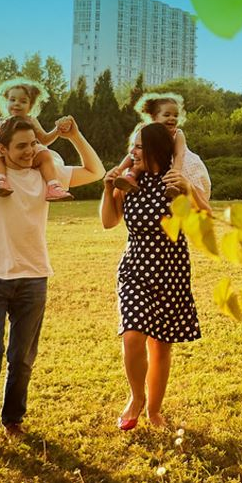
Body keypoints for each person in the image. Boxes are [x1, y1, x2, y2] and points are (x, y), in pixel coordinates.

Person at [0, 115, 105, 445]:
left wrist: (76, 136)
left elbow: (94, 171)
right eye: (21, 146)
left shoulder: (45, 174)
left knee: (22, 358)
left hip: (33, 277)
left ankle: (13, 420)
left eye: (33, 144)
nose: (29, 151)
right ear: (2, 147)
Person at [100, 123, 212, 431]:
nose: (132, 152)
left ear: (154, 150)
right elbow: (109, 222)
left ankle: (154, 410)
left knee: (161, 345)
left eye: (137, 147)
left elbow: (206, 217)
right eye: (132, 146)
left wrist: (190, 191)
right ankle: (136, 398)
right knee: (133, 335)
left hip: (171, 270)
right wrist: (108, 189)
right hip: (135, 267)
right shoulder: (129, 182)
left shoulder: (175, 182)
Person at [0, 79, 74, 201]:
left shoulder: (31, 121)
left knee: (45, 154)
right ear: (6, 102)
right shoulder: (0, 122)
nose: (17, 104)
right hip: (3, 156)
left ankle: (53, 186)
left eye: (23, 101)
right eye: (12, 100)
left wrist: (57, 130)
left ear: (30, 106)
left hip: (26, 157)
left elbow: (44, 140)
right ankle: (0, 182)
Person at [112, 93, 208, 198]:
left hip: (172, 163)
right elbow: (133, 152)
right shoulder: (145, 131)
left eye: (175, 115)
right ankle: (130, 177)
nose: (172, 118)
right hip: (147, 162)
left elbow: (178, 154)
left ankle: (173, 186)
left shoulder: (177, 133)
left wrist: (175, 171)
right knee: (138, 155)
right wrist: (120, 170)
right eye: (167, 115)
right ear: (154, 117)